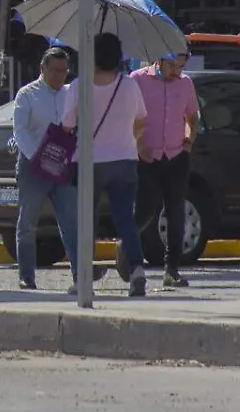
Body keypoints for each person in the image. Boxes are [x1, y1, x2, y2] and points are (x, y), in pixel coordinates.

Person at [62, 33, 150, 297]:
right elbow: (141, 120)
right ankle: (136, 270)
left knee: (85, 220)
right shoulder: (129, 86)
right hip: (124, 158)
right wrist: (127, 140)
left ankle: (83, 278)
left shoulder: (79, 86)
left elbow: (67, 124)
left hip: (89, 160)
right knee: (125, 218)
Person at [11, 48, 81, 290]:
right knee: (28, 222)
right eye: (55, 70)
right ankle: (26, 275)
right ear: (43, 69)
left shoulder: (71, 94)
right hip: (34, 167)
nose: (60, 76)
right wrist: (37, 158)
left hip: (63, 167)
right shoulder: (27, 94)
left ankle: (79, 276)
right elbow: (19, 130)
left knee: (71, 222)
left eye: (64, 71)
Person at [130, 47, 200, 288]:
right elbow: (128, 117)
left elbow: (193, 116)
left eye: (181, 66)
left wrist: (189, 141)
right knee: (145, 211)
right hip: (147, 157)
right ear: (160, 59)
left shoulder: (185, 84)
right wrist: (138, 144)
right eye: (173, 65)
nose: (176, 71)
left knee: (176, 212)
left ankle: (172, 270)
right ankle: (127, 249)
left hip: (176, 156)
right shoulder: (137, 80)